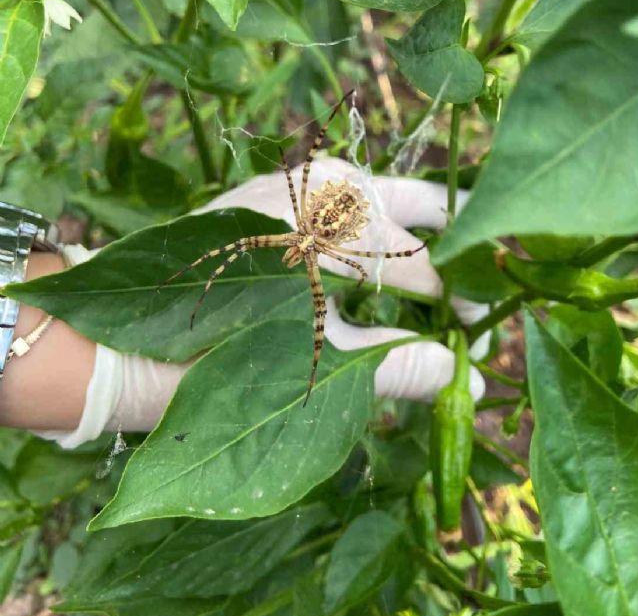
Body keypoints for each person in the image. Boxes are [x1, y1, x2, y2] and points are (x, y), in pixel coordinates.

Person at [0, 159, 487, 449]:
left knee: (281, 274)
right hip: (297, 250)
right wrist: (107, 370)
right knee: (232, 251)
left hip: (315, 247)